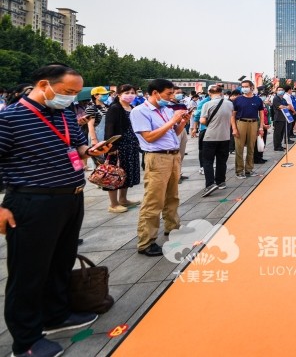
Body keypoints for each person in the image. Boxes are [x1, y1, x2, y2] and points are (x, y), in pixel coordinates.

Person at [0, 64, 113, 357]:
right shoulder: (10, 119)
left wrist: (91, 151)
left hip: (70, 197)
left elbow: (77, 146)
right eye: (68, 91)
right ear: (44, 85)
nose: (72, 97)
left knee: (60, 262)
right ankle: (26, 341)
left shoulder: (63, 114)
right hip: (32, 202)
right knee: (28, 272)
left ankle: (56, 315)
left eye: (76, 93)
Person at [129, 78, 190, 257]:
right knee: (154, 200)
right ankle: (146, 241)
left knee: (172, 196)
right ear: (155, 93)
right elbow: (149, 137)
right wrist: (173, 121)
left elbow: (173, 133)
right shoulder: (140, 111)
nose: (171, 97)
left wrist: (182, 122)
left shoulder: (166, 110)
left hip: (172, 155)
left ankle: (173, 227)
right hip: (157, 157)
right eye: (168, 94)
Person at [102, 84, 142, 213]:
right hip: (118, 147)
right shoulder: (115, 108)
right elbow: (109, 128)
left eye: (132, 92)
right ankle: (113, 204)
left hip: (131, 145)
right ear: (119, 94)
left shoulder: (132, 108)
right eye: (126, 92)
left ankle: (123, 199)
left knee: (126, 173)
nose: (130, 95)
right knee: (114, 174)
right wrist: (111, 146)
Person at [198, 85, 234, 197]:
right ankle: (221, 181)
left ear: (209, 93)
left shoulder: (207, 104)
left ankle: (210, 184)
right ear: (221, 92)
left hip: (211, 136)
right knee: (222, 160)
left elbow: (202, 120)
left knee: (207, 161)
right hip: (225, 136)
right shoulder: (229, 104)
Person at [231, 80, 265, 178]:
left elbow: (261, 114)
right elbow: (232, 115)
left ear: (251, 87)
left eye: (246, 86)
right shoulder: (238, 100)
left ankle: (249, 170)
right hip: (241, 123)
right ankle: (239, 171)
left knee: (251, 147)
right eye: (243, 86)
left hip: (254, 123)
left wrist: (261, 127)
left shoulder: (258, 100)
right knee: (239, 148)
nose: (244, 88)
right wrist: (234, 128)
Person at [271, 87, 292, 151]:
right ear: (276, 91)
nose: (280, 91)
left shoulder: (283, 99)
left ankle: (280, 145)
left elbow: (289, 106)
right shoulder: (276, 98)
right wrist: (286, 107)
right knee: (277, 133)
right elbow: (280, 107)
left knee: (281, 133)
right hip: (278, 118)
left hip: (284, 118)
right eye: (279, 90)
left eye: (282, 90)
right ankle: (276, 147)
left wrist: (285, 107)